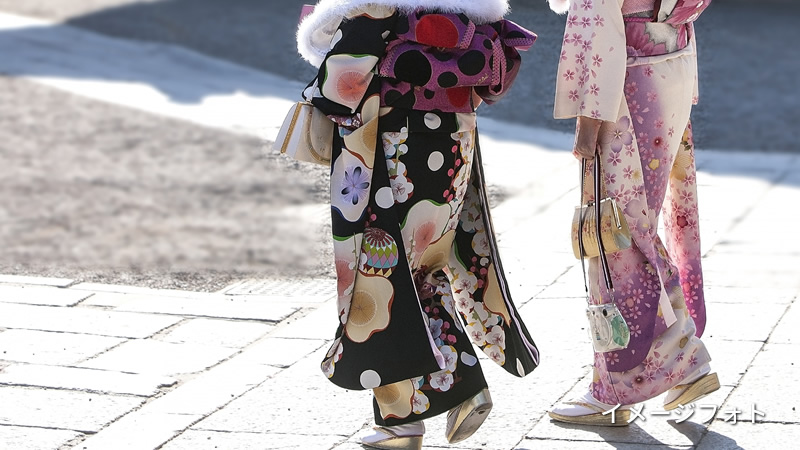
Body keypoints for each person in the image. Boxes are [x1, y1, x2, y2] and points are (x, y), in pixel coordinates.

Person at [295, 0, 540, 447]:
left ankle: (449, 391)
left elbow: (348, 65)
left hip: (390, 134)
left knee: (380, 275)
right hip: (452, 135)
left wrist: (320, 93)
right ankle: (400, 422)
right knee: (420, 271)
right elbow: (494, 66)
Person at [546, 0, 719, 426]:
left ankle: (664, 364)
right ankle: (625, 386)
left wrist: (588, 122)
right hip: (667, 67)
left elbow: (599, 29)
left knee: (616, 236)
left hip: (626, 84)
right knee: (632, 228)